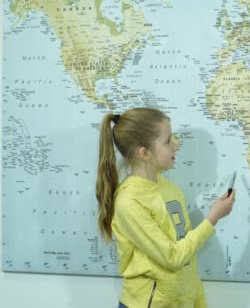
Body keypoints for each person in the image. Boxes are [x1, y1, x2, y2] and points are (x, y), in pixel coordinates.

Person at [96, 107, 236, 308]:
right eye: (168, 140)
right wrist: (212, 218)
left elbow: (187, 260)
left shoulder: (170, 189)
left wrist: (199, 303)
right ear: (144, 153)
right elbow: (172, 257)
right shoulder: (129, 201)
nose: (176, 145)